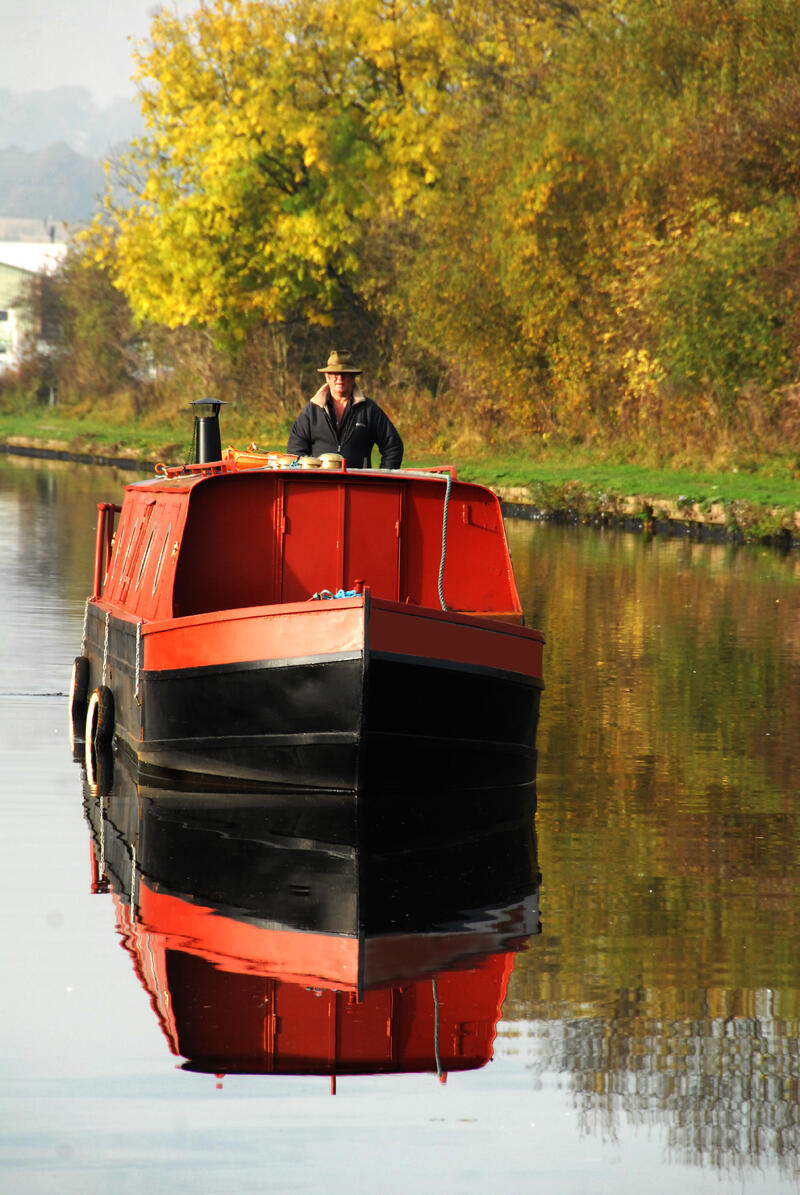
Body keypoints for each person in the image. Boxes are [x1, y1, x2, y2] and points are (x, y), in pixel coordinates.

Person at [286, 349, 403, 469]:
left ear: (353, 377)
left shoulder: (369, 410)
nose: (339, 378)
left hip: (358, 485)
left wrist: (381, 480)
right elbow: (295, 452)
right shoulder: (311, 412)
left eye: (344, 374)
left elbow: (393, 447)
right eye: (334, 374)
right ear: (327, 377)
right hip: (320, 485)